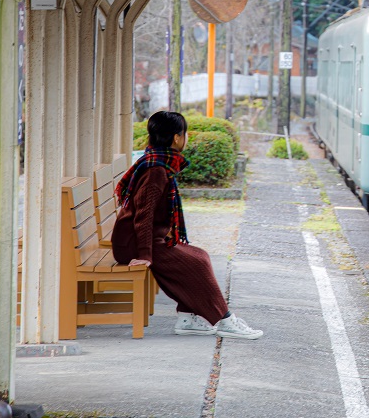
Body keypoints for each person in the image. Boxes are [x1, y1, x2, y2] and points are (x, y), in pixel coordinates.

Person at [112, 111, 263, 340]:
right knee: (196, 264)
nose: (187, 138)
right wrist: (144, 255)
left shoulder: (158, 162)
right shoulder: (156, 171)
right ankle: (225, 320)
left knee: (198, 255)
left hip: (145, 238)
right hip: (135, 243)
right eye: (185, 133)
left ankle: (187, 317)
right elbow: (144, 215)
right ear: (176, 138)